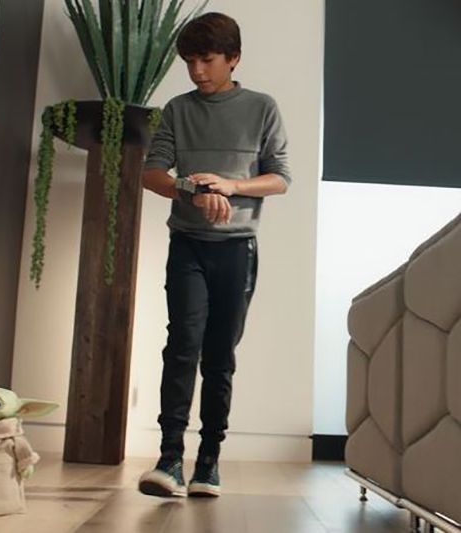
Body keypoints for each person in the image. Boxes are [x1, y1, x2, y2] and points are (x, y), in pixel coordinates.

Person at [137, 12, 291, 498]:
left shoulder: (262, 108)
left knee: (220, 357)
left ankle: (208, 463)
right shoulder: (178, 109)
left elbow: (280, 178)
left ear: (233, 58)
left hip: (237, 249)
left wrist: (231, 185)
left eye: (206, 60)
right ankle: (169, 460)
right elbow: (152, 173)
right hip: (188, 245)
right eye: (189, 61)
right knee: (182, 344)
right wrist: (193, 188)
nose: (197, 71)